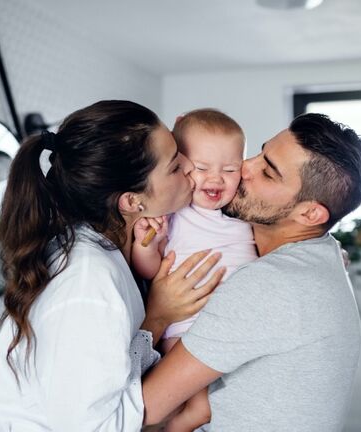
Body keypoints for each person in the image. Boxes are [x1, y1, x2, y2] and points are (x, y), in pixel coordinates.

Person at [0, 100, 226, 431]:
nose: (189, 165)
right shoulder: (87, 282)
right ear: (131, 201)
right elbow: (93, 426)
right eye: (173, 165)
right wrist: (158, 317)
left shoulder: (111, 250)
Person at [142, 113, 361, 431]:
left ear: (310, 213)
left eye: (267, 173)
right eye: (258, 153)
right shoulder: (319, 253)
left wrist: (157, 316)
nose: (244, 168)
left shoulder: (271, 285)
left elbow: (144, 409)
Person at [131, 109, 258, 431]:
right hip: (185, 327)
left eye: (230, 170)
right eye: (202, 168)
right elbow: (151, 271)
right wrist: (146, 246)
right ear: (181, 166)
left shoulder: (243, 211)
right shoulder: (175, 211)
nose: (216, 179)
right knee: (198, 409)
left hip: (234, 327)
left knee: (232, 398)